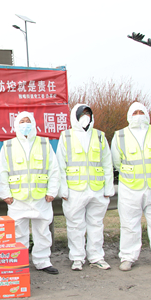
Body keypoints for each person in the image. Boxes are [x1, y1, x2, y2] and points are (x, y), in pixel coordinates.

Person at [112, 102, 151, 274]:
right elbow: (117, 162)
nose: (138, 115)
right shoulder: (120, 135)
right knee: (129, 224)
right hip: (130, 187)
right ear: (129, 115)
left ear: (146, 114)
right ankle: (128, 257)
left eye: (141, 112)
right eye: (135, 112)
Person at [0, 111, 60, 274]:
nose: (25, 124)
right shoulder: (8, 145)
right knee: (18, 231)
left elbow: (54, 169)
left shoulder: (44, 143)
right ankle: (21, 261)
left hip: (41, 196)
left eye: (28, 121)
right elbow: (2, 171)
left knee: (42, 230)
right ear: (16, 125)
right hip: (17, 198)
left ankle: (43, 261)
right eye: (22, 121)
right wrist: (5, 194)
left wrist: (52, 191)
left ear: (33, 123)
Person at [57, 104, 115, 271]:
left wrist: (108, 189)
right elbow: (60, 165)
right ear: (75, 116)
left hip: (97, 189)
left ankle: (96, 257)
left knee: (96, 224)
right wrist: (63, 190)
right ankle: (77, 258)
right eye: (82, 114)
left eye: (88, 113)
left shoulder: (99, 136)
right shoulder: (66, 136)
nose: (85, 117)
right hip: (75, 190)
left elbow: (107, 163)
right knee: (75, 225)